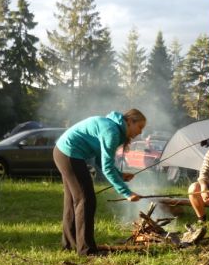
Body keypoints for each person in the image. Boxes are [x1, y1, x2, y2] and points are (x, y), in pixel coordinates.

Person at [54, 109, 146, 256]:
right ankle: (86, 250)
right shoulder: (112, 131)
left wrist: (120, 175)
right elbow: (107, 167)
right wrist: (126, 193)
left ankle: (70, 244)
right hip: (69, 153)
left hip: (63, 152)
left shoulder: (112, 127)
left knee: (74, 201)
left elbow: (100, 159)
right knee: (86, 200)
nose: (140, 132)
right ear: (130, 122)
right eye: (140, 127)